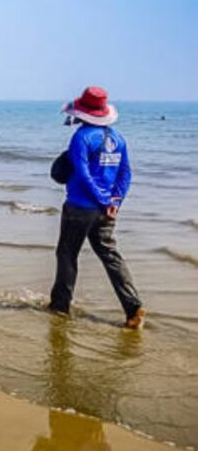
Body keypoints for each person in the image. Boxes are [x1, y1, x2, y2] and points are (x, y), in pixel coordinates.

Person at [49, 87, 143, 329]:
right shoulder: (118, 138)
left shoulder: (81, 138)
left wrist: (103, 199)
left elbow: (82, 174)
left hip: (80, 207)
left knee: (67, 254)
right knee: (110, 255)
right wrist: (115, 201)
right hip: (106, 211)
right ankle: (133, 308)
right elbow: (125, 173)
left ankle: (60, 307)